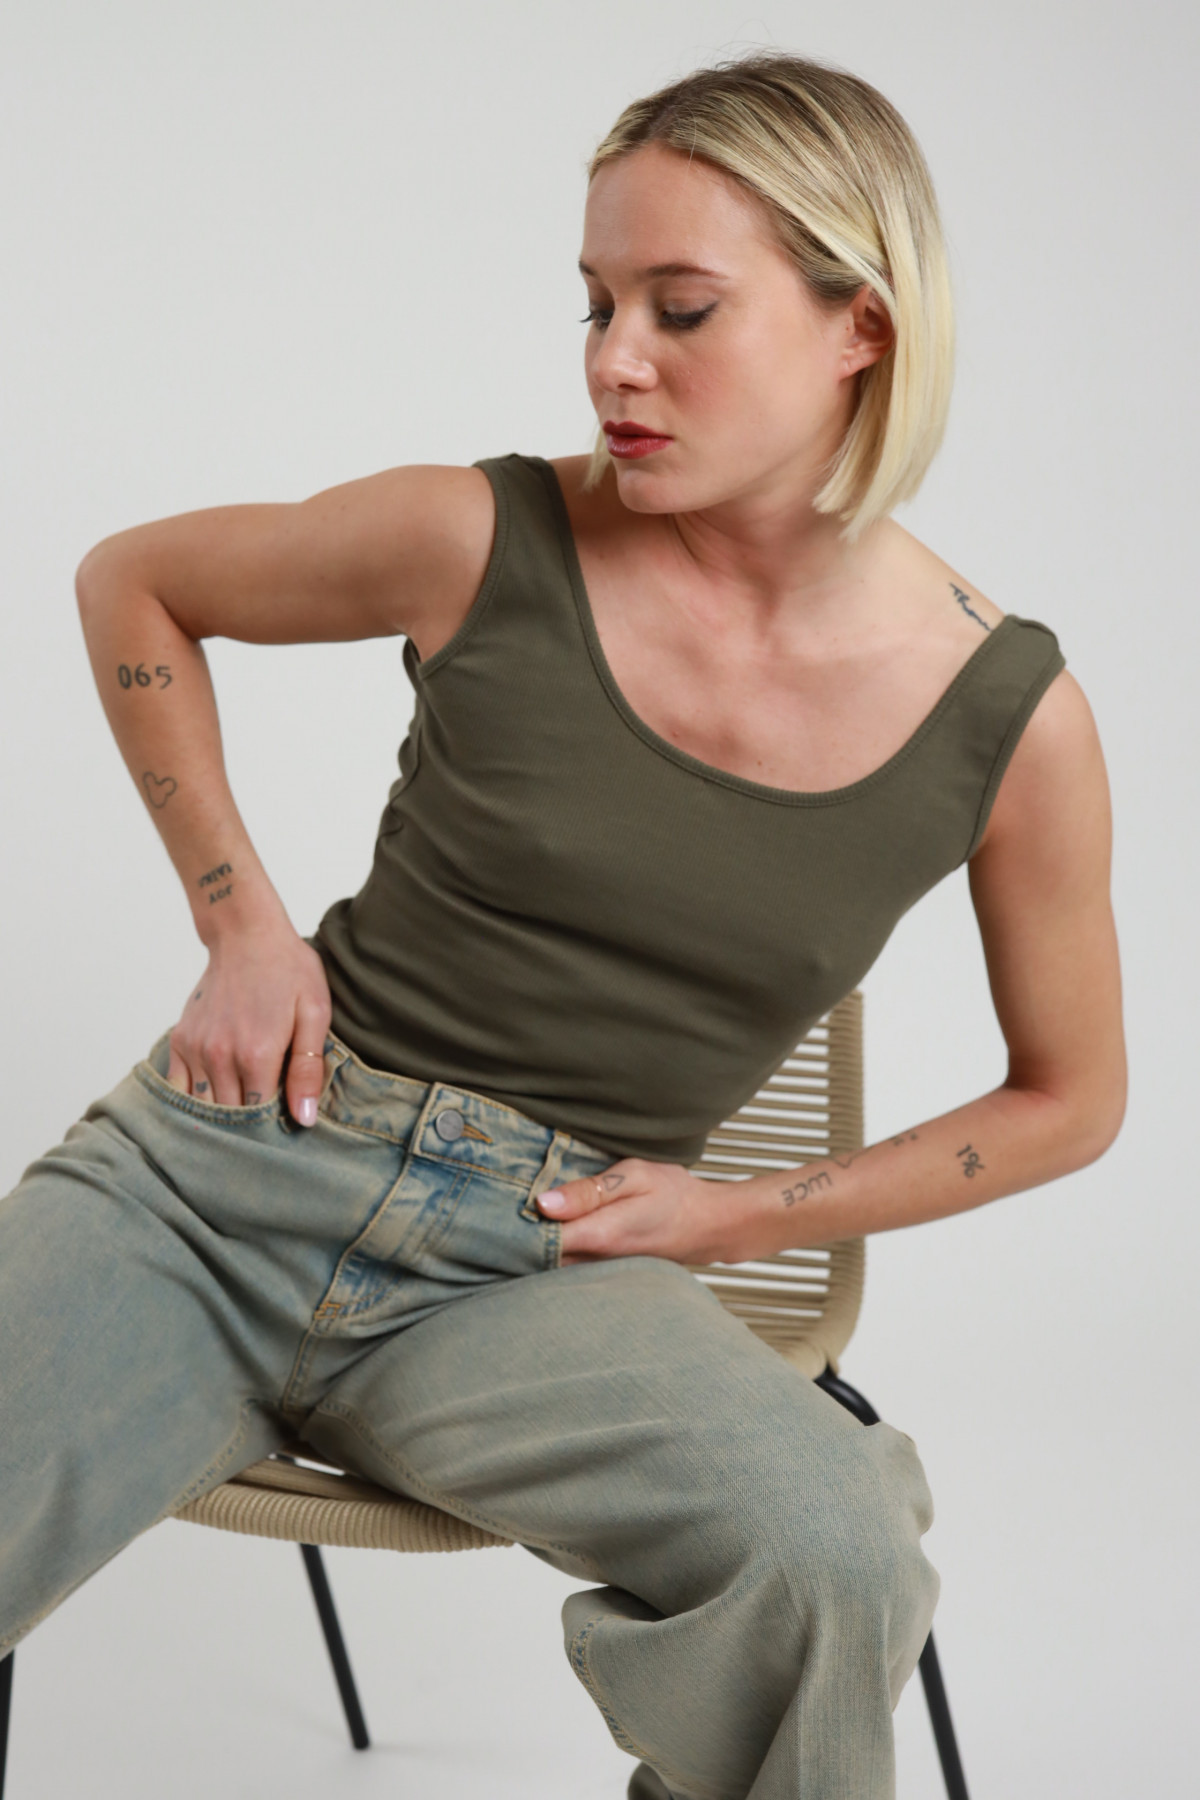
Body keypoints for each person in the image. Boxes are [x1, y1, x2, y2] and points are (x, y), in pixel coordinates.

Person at [0, 50, 1124, 1800]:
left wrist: (742, 1211)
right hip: (218, 1181)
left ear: (864, 326)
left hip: (540, 1271)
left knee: (832, 1555)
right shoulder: (480, 531)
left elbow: (1072, 1096)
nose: (614, 360)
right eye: (597, 303)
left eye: (683, 308)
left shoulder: (1012, 722)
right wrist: (242, 925)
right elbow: (132, 580)